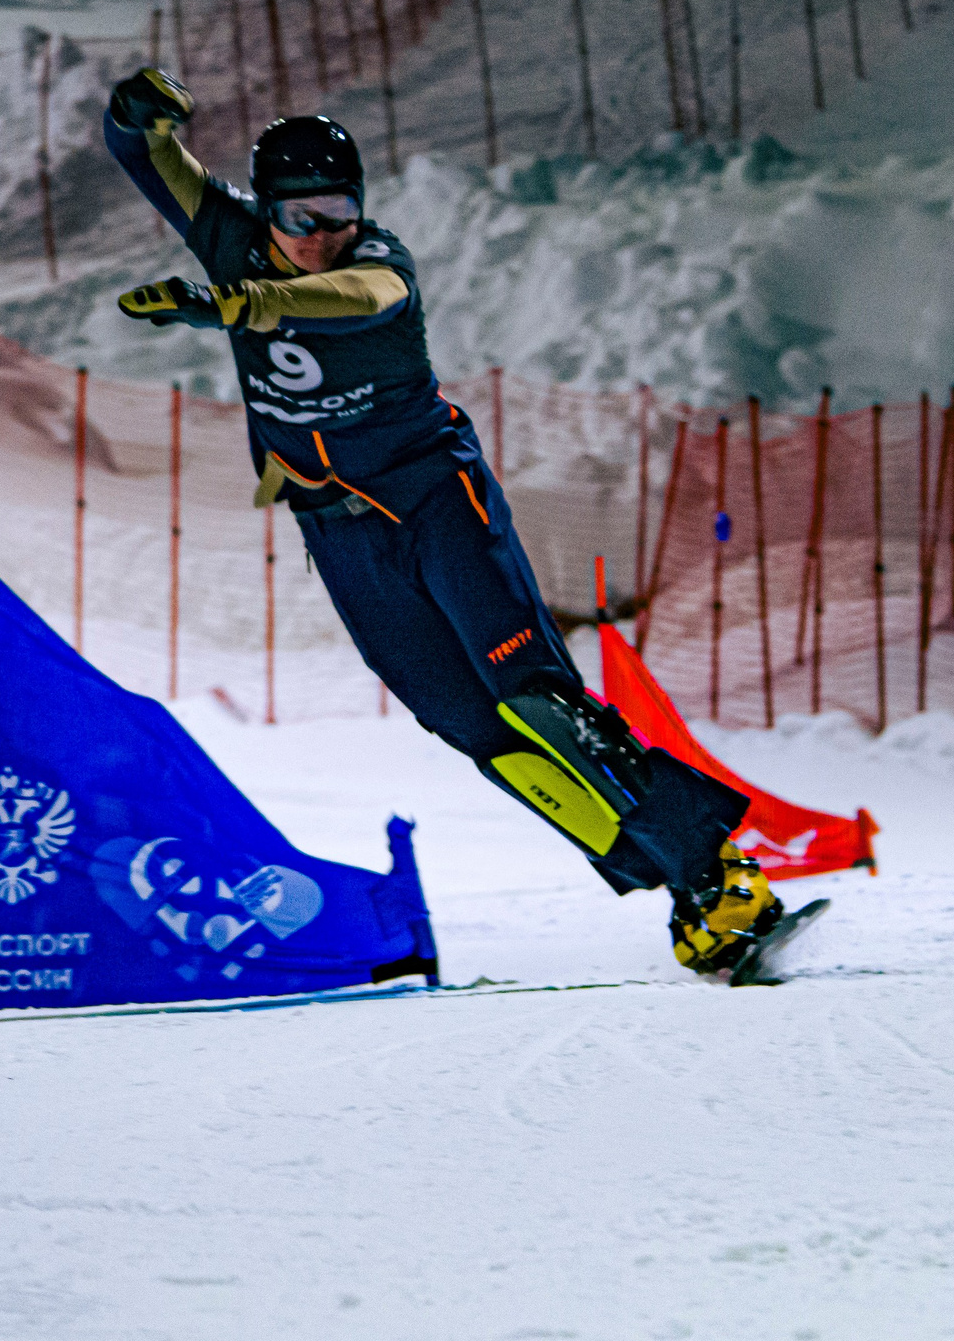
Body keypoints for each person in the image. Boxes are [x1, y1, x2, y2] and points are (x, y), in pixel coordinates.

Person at [101, 69, 779, 975]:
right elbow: (145, 157)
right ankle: (675, 889)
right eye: (299, 218)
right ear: (265, 211)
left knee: (536, 702)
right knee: (473, 727)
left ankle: (724, 868)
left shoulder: (376, 263)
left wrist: (238, 305)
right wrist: (134, 113)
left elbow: (357, 299)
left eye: (338, 210)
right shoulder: (233, 238)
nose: (320, 236)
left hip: (434, 499)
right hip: (339, 533)